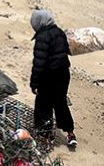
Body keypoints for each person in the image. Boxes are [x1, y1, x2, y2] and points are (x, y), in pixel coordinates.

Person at [29, 9, 77, 148]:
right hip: (63, 73)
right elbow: (66, 50)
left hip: (48, 75)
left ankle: (45, 135)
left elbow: (39, 62)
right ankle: (70, 134)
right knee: (60, 102)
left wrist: (34, 83)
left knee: (43, 104)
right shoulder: (59, 32)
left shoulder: (42, 36)